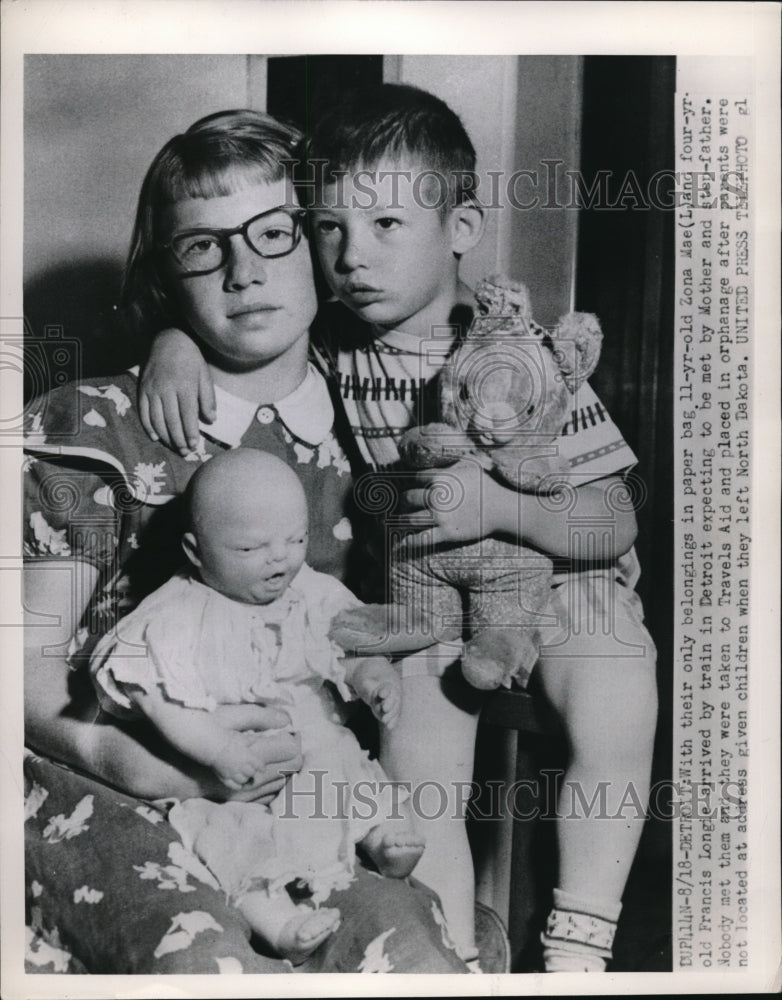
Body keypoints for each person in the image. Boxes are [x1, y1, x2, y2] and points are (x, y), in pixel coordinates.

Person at [139, 84, 658, 971]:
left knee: (616, 702)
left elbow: (611, 519)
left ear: (462, 229)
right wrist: (172, 342)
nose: (349, 258)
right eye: (329, 229)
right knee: (416, 779)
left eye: (385, 227)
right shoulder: (335, 339)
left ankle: (580, 940)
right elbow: (237, 323)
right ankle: (448, 955)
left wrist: (501, 509)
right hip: (430, 599)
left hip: (565, 571)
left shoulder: (517, 356)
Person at [22, 108, 469, 974]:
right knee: (206, 958)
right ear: (165, 271)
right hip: (110, 781)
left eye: (275, 232)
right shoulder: (97, 427)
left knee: (411, 947)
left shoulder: (373, 423)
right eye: (202, 247)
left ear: (324, 241)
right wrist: (127, 760)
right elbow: (23, 666)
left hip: (299, 791)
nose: (242, 271)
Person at [89, 448, 424, 964]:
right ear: (196, 552)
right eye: (251, 548)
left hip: (307, 743)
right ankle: (275, 921)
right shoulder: (174, 614)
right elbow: (153, 698)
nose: (280, 558)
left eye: (295, 540)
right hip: (224, 773)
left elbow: (346, 648)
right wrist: (217, 749)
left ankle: (377, 836)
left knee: (344, 761)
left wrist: (372, 677)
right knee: (224, 836)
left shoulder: (310, 591)